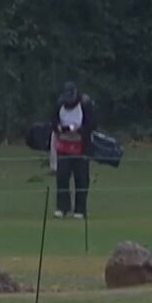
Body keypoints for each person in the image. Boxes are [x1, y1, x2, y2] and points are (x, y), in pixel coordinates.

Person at [51, 81, 96, 218]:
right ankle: (62, 207)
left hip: (81, 146)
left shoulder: (85, 104)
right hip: (64, 145)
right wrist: (60, 128)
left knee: (81, 178)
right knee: (62, 176)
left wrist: (78, 130)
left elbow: (92, 124)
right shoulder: (59, 104)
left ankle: (80, 209)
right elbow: (54, 122)